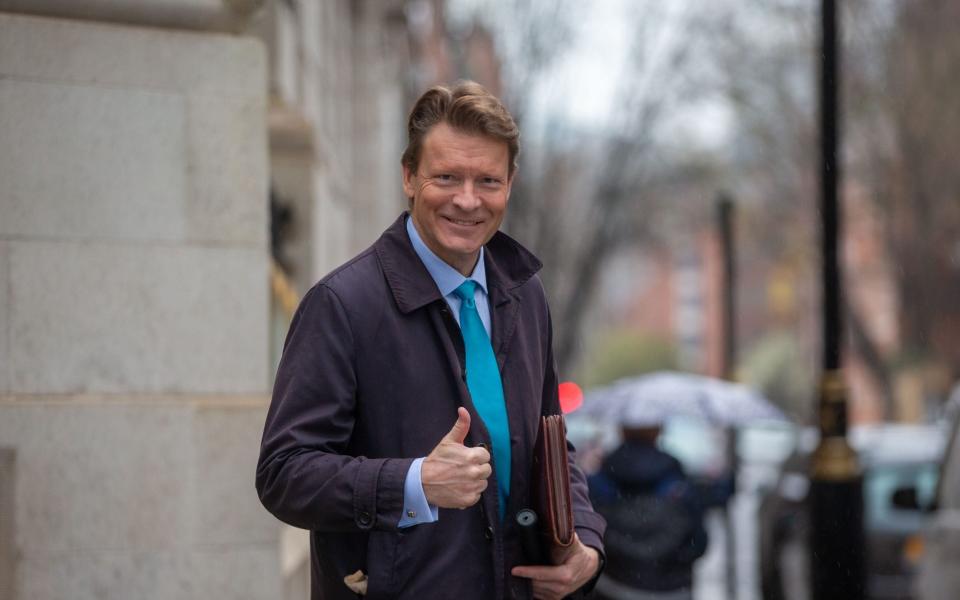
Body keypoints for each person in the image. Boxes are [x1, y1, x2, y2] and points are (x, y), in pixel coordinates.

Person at [256, 81, 605, 600]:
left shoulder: (526, 295)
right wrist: (415, 483)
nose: (468, 200)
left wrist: (586, 544)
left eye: (487, 180)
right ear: (409, 177)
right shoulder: (341, 305)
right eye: (447, 177)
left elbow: (552, 442)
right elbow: (284, 473)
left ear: (510, 183)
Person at [587, 425, 707, 600]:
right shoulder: (678, 480)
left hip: (612, 586)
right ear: (659, 431)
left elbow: (590, 533)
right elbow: (698, 544)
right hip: (672, 589)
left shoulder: (601, 478)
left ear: (622, 430)